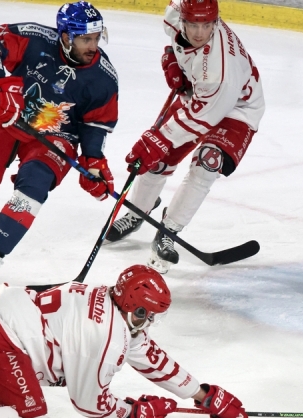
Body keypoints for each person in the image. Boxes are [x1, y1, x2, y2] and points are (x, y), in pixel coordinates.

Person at [0, 265, 248, 418]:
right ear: (136, 307)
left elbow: (149, 355)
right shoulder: (106, 337)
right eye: (148, 315)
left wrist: (202, 394)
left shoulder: (105, 297)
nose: (150, 322)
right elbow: (89, 403)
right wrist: (134, 413)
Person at [0, 1, 118, 296]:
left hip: (56, 135)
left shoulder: (103, 78)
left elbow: (95, 124)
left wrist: (93, 161)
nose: (93, 46)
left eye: (97, 38)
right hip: (9, 117)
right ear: (65, 36)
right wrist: (1, 82)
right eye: (86, 39)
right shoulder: (35, 38)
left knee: (34, 186)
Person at [105, 0, 264, 274]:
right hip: (201, 97)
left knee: (207, 162)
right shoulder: (176, 12)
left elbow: (200, 118)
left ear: (216, 22)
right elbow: (175, 39)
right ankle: (138, 210)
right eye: (193, 25)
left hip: (237, 108)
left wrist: (159, 140)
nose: (200, 33)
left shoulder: (219, 70)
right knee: (158, 159)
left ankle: (169, 229)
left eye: (207, 25)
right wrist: (171, 57)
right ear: (183, 20)